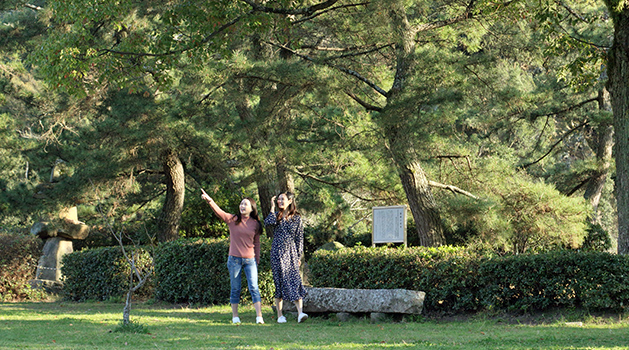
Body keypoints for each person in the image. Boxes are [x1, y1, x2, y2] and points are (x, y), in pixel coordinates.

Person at [201, 189, 264, 324]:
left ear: (251, 208)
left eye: (245, 204)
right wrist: (209, 200)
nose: (242, 206)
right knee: (235, 288)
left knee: (254, 287)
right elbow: (220, 212)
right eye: (241, 204)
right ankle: (235, 316)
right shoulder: (233, 219)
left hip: (250, 261)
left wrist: (256, 260)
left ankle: (259, 316)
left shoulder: (256, 224)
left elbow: (257, 243)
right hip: (234, 260)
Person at [264, 192, 308, 323]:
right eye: (278, 199)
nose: (279, 201)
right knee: (279, 282)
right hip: (277, 252)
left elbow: (299, 238)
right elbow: (268, 223)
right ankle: (280, 315)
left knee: (294, 280)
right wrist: (272, 208)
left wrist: (299, 256)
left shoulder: (297, 218)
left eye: (282, 199)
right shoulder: (276, 216)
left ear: (290, 201)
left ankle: (300, 313)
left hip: (291, 253)